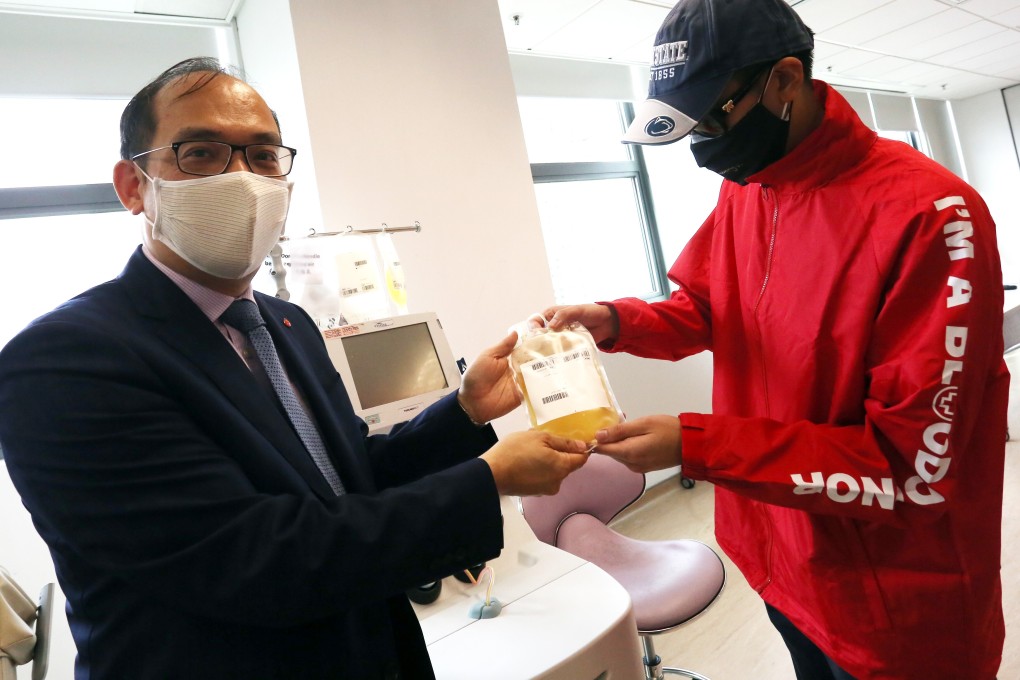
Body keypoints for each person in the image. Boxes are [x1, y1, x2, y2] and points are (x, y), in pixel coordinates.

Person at [0, 57, 591, 680]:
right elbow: (254, 560)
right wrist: (486, 480)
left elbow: (349, 478)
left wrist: (464, 413)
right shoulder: (63, 364)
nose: (242, 179)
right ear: (133, 186)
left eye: (262, 156)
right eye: (200, 153)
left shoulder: (288, 325)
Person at [547, 1, 1008, 678]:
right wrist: (614, 320)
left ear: (784, 81)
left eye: (712, 118)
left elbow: (908, 466)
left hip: (891, 597)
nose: (704, 146)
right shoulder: (750, 190)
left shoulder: (930, 217)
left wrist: (696, 444)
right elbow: (709, 304)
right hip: (781, 557)